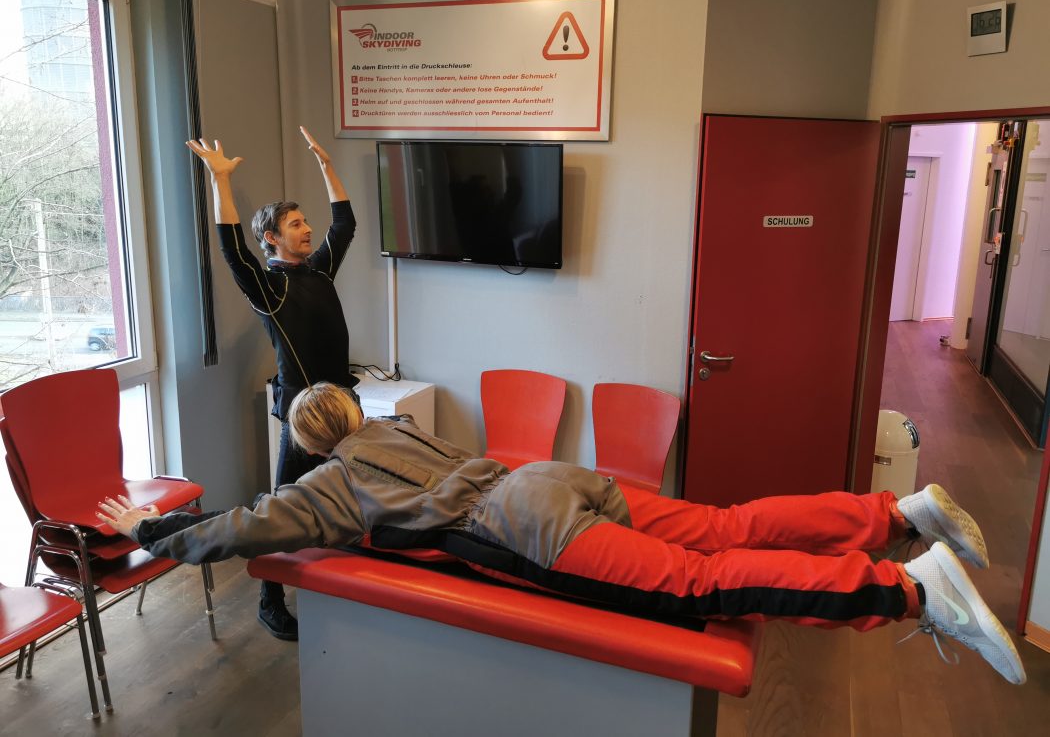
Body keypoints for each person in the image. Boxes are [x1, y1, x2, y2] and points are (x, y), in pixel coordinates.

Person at [98, 384, 1026, 685]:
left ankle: (913, 588)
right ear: (350, 406)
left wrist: (156, 529)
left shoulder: (328, 488)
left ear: (305, 446)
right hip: (551, 476)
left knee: (703, 586)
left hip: (524, 520)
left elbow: (238, 530)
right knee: (725, 525)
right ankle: (898, 515)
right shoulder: (393, 426)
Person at [186, 130, 359, 641]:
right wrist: (221, 180)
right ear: (272, 239)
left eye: (306, 221)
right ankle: (269, 597)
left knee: (347, 497)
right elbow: (233, 251)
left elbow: (345, 224)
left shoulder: (320, 272)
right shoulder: (271, 289)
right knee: (282, 507)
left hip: (342, 405)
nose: (308, 230)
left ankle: (339, 582)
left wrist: (328, 166)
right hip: (305, 415)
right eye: (296, 224)